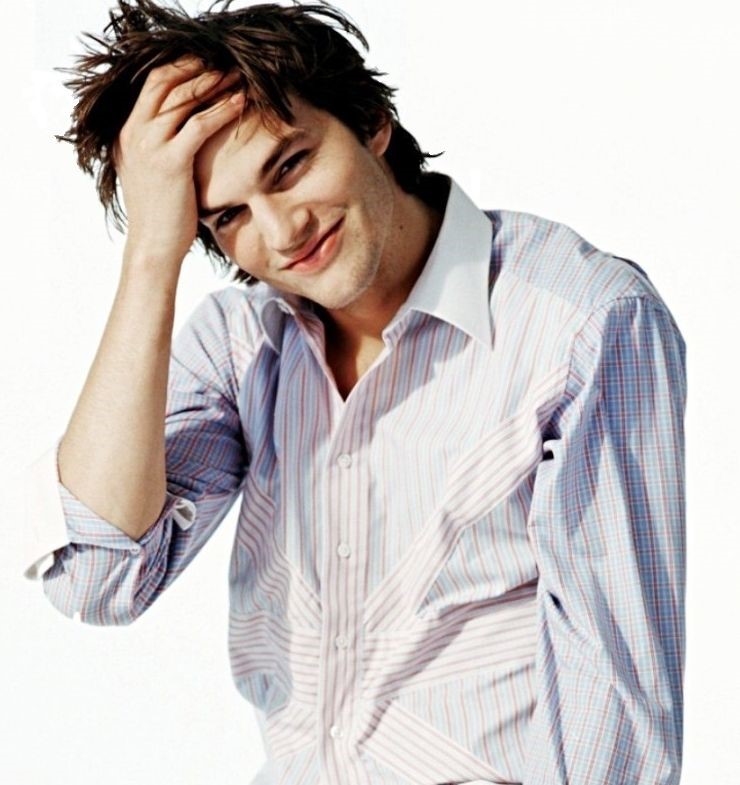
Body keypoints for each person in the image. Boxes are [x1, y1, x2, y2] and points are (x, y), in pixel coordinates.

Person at [23, 1, 687, 783]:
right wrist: (150, 252)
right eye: (228, 215)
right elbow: (100, 581)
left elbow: (615, 697)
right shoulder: (241, 343)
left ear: (372, 121)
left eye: (290, 164)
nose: (282, 233)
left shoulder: (580, 321)